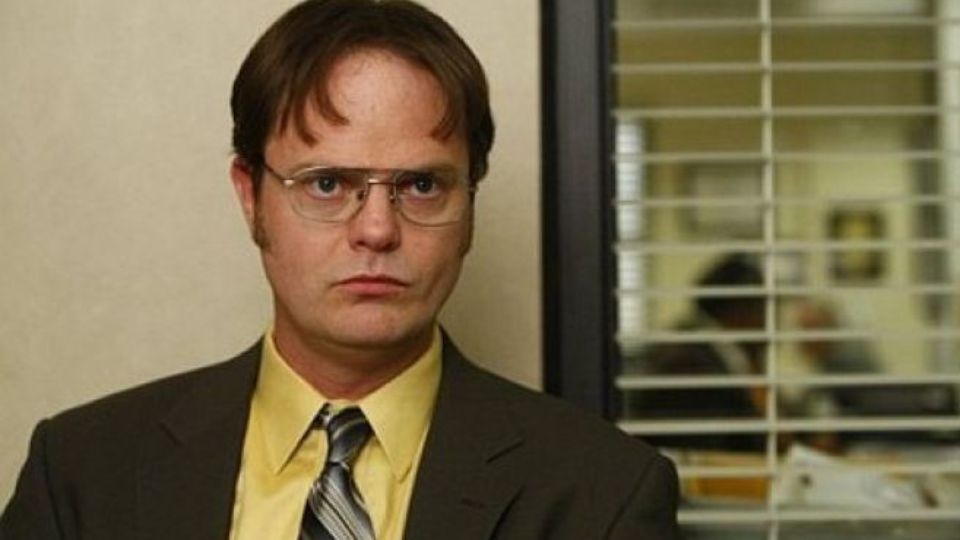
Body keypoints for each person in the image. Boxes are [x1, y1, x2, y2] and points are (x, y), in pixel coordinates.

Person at [0, 1, 679, 539]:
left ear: (470, 204)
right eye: (326, 184)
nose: (377, 230)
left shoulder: (603, 494)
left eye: (421, 186)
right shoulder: (83, 471)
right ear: (250, 197)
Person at [626, 253, 767, 451]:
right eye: (763, 306)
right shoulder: (689, 364)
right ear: (740, 308)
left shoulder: (712, 351)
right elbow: (709, 450)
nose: (768, 320)